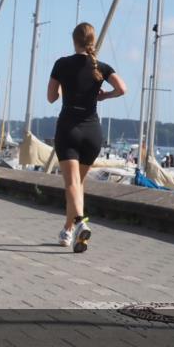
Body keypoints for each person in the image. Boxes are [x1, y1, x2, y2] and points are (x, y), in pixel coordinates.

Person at [47, 23, 127, 253]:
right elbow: (122, 88)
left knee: (71, 184)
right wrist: (104, 96)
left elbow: (51, 97)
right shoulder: (100, 66)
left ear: (74, 41)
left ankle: (80, 222)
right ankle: (68, 231)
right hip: (93, 132)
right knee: (77, 185)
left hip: (69, 129)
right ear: (93, 41)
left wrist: (65, 86)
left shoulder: (62, 64)